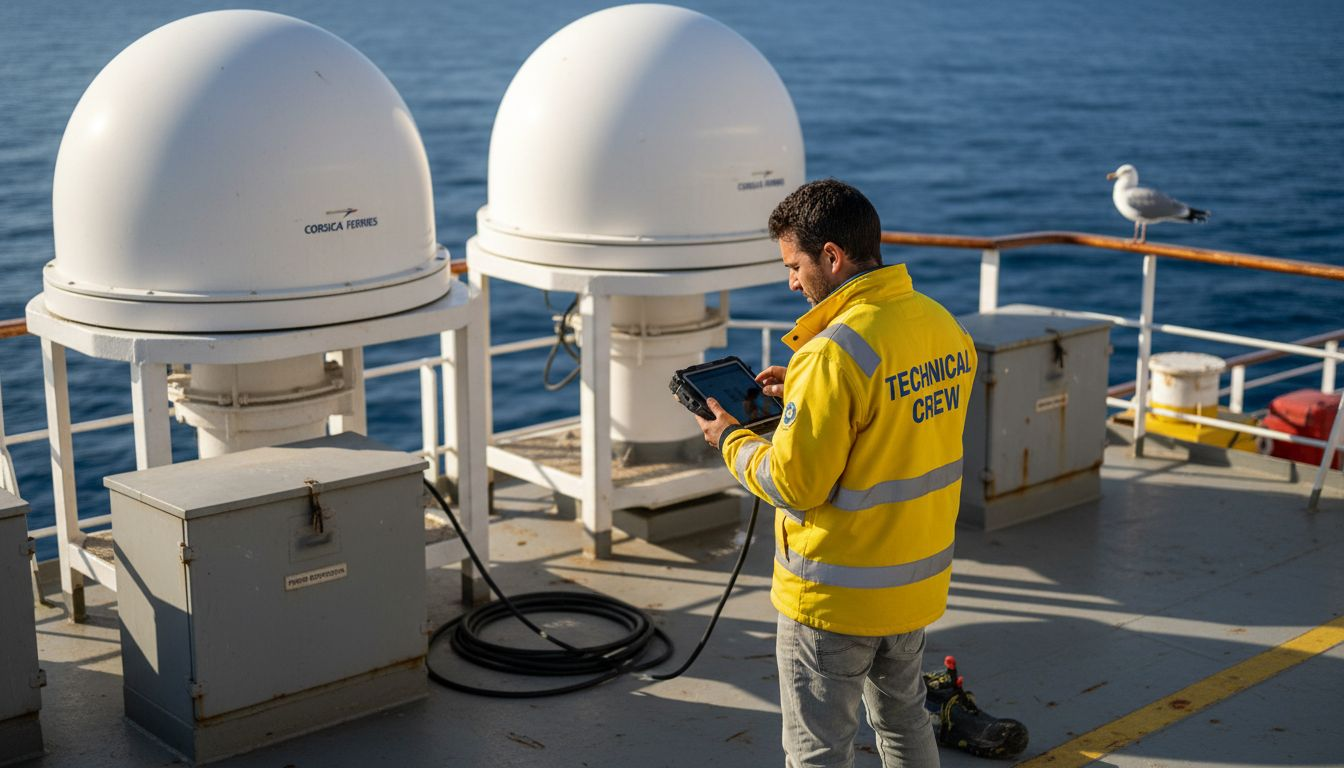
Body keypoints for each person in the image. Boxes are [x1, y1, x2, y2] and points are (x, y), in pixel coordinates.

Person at [689, 179, 977, 768]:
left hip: (835, 598)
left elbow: (796, 485)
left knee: (818, 751)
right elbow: (893, 425)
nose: (791, 281)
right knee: (904, 724)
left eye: (794, 265)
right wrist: (803, 389)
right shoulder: (941, 325)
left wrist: (732, 439)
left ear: (831, 257)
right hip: (913, 584)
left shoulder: (832, 354)